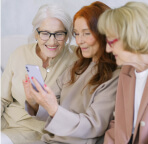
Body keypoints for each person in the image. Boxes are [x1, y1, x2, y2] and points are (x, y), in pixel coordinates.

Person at [23, 1, 120, 144]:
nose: (79, 41)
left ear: (104, 33)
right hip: (51, 139)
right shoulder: (77, 67)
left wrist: (54, 109)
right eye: (77, 34)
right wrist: (34, 102)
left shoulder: (115, 76)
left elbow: (93, 126)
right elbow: (52, 105)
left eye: (86, 33)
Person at [1, 4, 78, 144]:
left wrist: (34, 103)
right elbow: (2, 98)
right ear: (36, 33)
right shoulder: (20, 53)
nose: (52, 41)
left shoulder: (76, 60)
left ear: (67, 36)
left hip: (38, 132)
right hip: (5, 122)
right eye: (45, 33)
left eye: (59, 33)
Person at [98, 1, 148, 144]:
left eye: (111, 42)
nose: (107, 49)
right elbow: (118, 124)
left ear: (131, 36)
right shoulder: (127, 71)